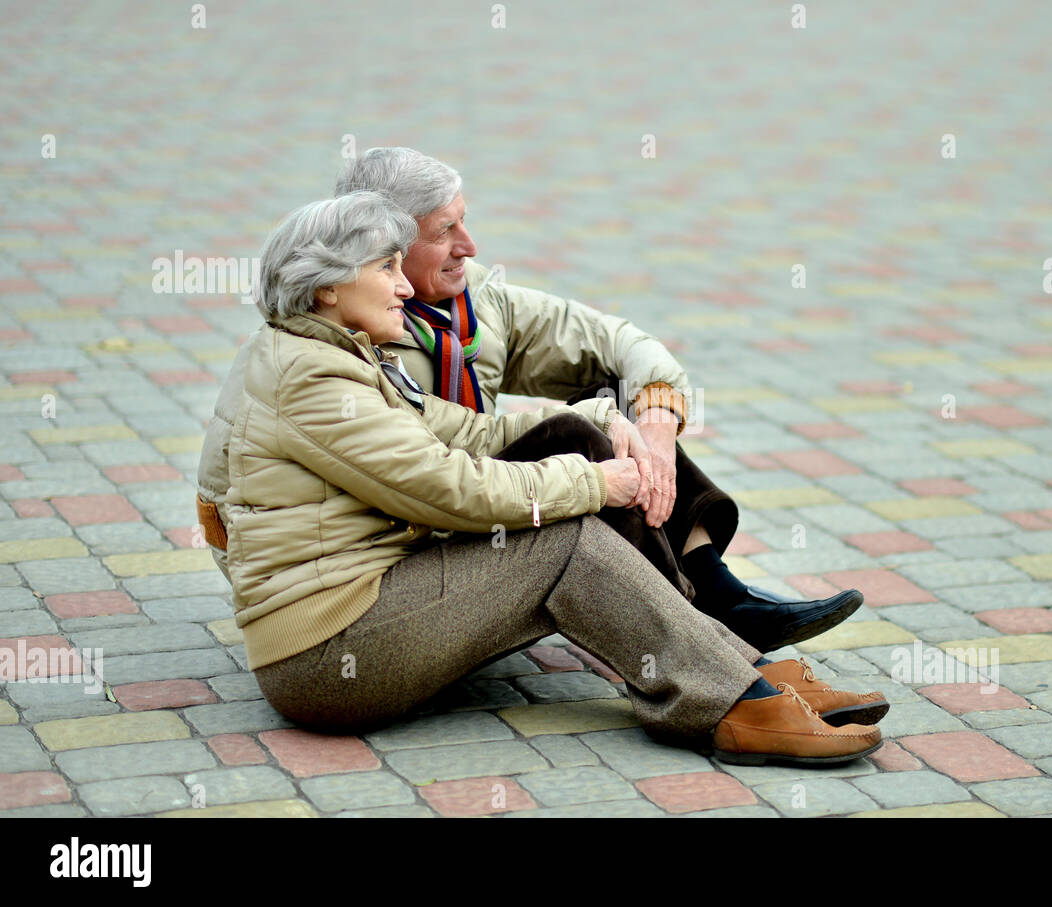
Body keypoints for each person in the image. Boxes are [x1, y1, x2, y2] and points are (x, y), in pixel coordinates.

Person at [210, 190, 885, 766]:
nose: (405, 285)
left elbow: (468, 433)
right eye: (387, 266)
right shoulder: (313, 376)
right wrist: (597, 485)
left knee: (573, 469)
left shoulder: (338, 349)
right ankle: (728, 700)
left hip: (362, 610)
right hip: (327, 656)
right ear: (327, 286)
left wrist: (599, 421)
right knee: (562, 542)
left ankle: (738, 669)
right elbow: (451, 487)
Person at [332, 146, 868, 654]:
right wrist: (594, 458)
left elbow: (620, 342)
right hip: (431, 525)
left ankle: (714, 588)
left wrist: (656, 428)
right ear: (387, 248)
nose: (469, 246)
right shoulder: (352, 333)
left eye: (464, 221)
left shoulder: (474, 300)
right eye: (445, 231)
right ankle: (696, 627)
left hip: (490, 493)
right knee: (580, 434)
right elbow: (432, 479)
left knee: (611, 396)